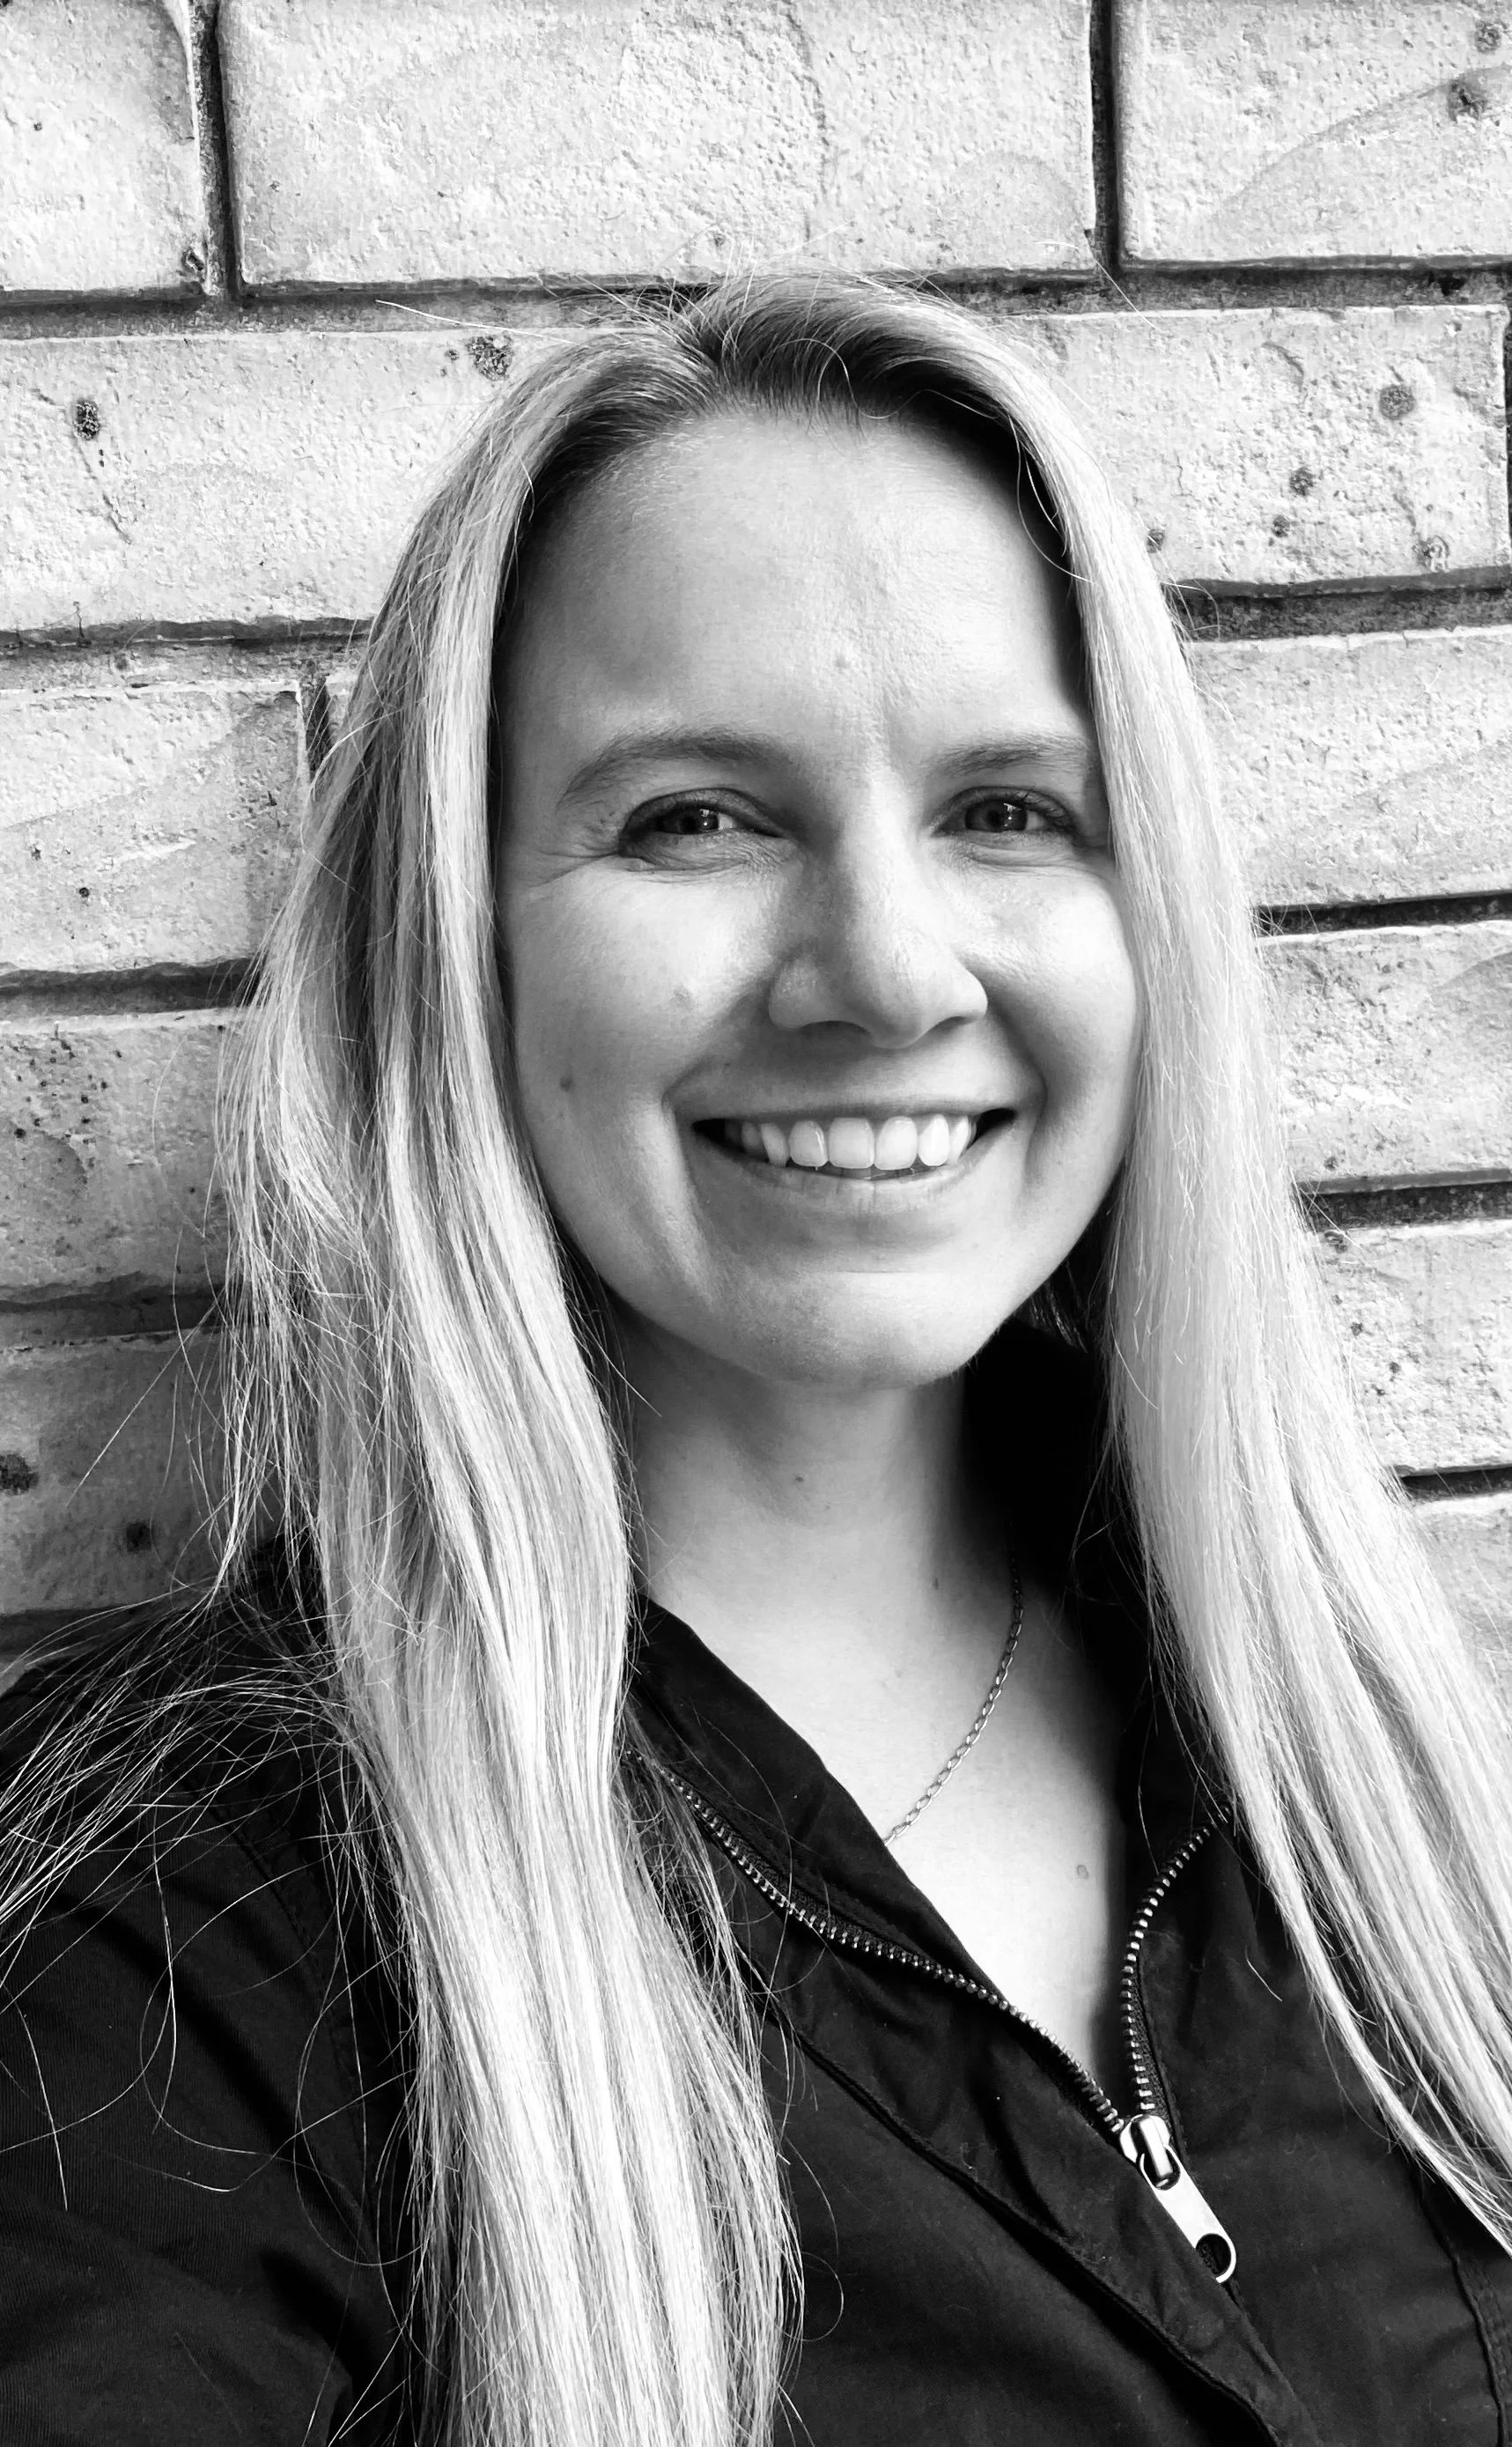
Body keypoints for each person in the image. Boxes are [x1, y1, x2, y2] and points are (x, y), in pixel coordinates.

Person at [1, 272, 1508, 2447]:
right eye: (695, 816)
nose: (887, 969)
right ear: (463, 946)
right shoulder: (188, 1941)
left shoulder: (1390, 1784)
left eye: (1010, 810)